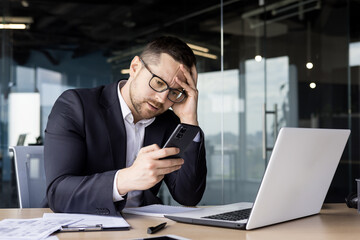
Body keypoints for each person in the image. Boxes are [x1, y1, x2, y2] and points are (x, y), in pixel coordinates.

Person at [44, 36, 207, 215]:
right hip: (82, 224)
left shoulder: (169, 122)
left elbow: (188, 196)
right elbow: (57, 193)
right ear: (135, 67)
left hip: (144, 227)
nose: (162, 98)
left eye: (174, 92)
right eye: (159, 82)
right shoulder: (75, 106)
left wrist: (189, 121)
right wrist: (126, 179)